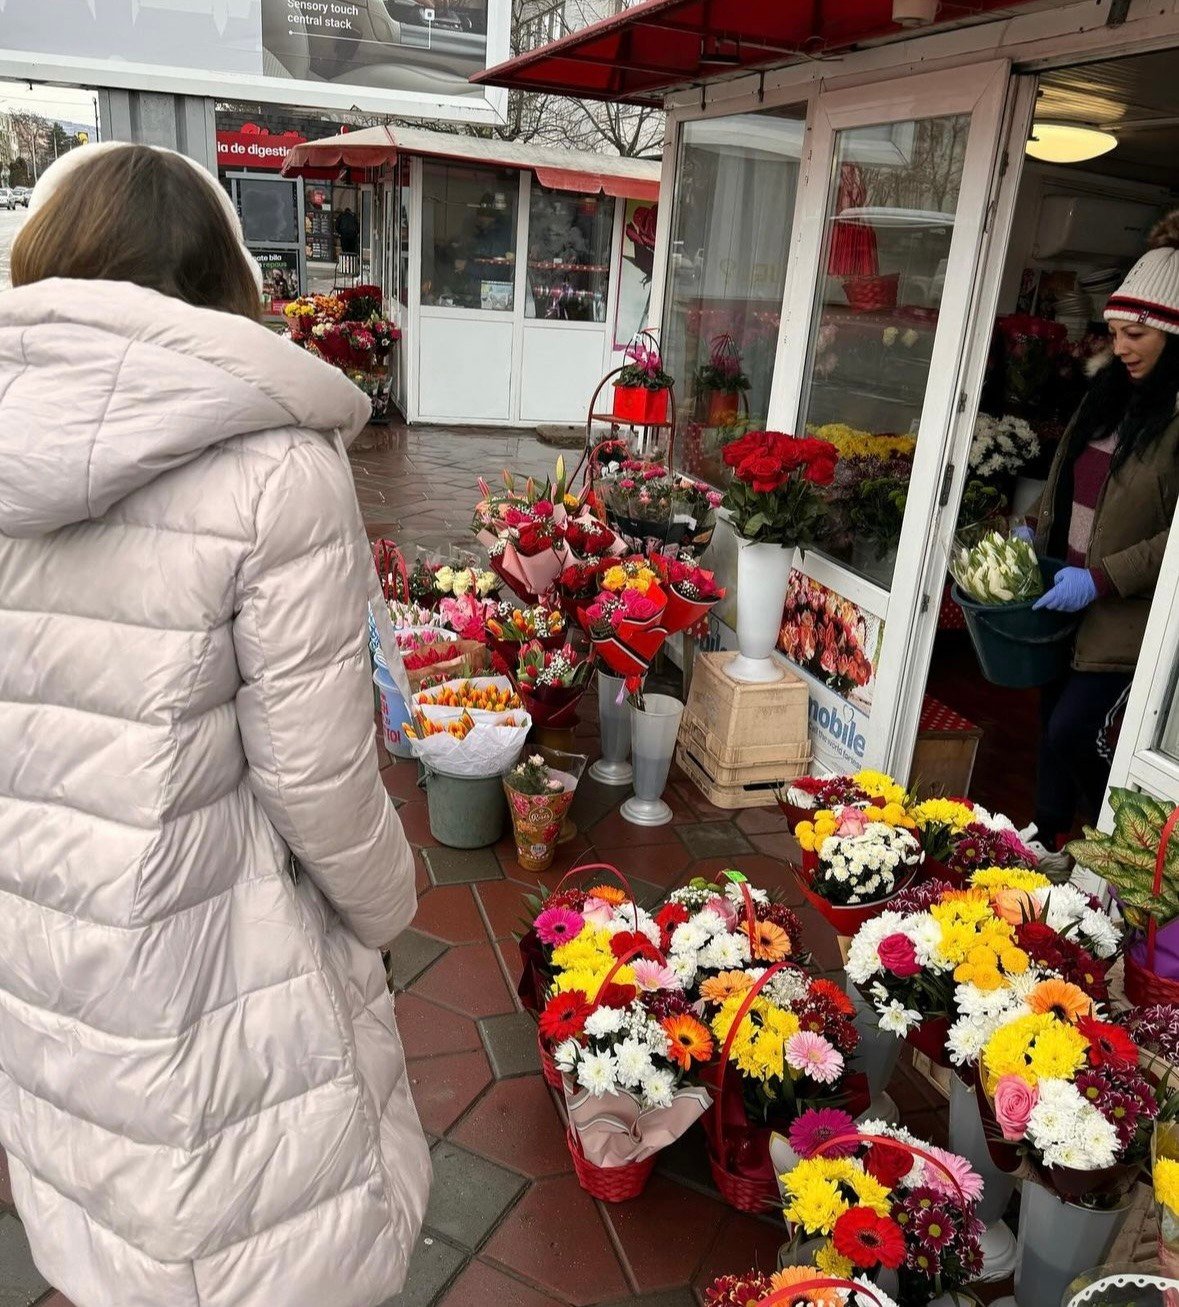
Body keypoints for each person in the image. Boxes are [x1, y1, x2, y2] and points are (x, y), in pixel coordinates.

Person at [0, 143, 429, 1307]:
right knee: (253, 1220)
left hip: (44, 930)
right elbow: (317, 769)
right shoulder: (273, 463)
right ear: (216, 274)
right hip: (213, 936)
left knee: (113, 1203)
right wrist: (388, 902)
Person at [1019, 212, 1179, 873]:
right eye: (1114, 332)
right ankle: (1050, 834)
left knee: (1075, 730)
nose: (1121, 347)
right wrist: (1031, 527)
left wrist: (1104, 576)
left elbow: (1174, 540)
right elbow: (1066, 476)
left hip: (1121, 612)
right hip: (1063, 588)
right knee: (1050, 720)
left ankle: (1105, 846)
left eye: (1136, 333)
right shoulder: (1104, 394)